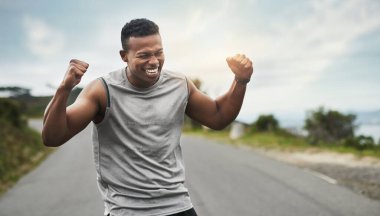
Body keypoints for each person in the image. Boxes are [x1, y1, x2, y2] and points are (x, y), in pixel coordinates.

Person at [42, 18, 253, 216]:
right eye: (143, 55)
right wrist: (64, 89)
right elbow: (53, 137)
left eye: (159, 53)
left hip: (177, 205)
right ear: (124, 56)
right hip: (126, 209)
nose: (154, 62)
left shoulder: (179, 84)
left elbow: (218, 117)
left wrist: (240, 81)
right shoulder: (102, 90)